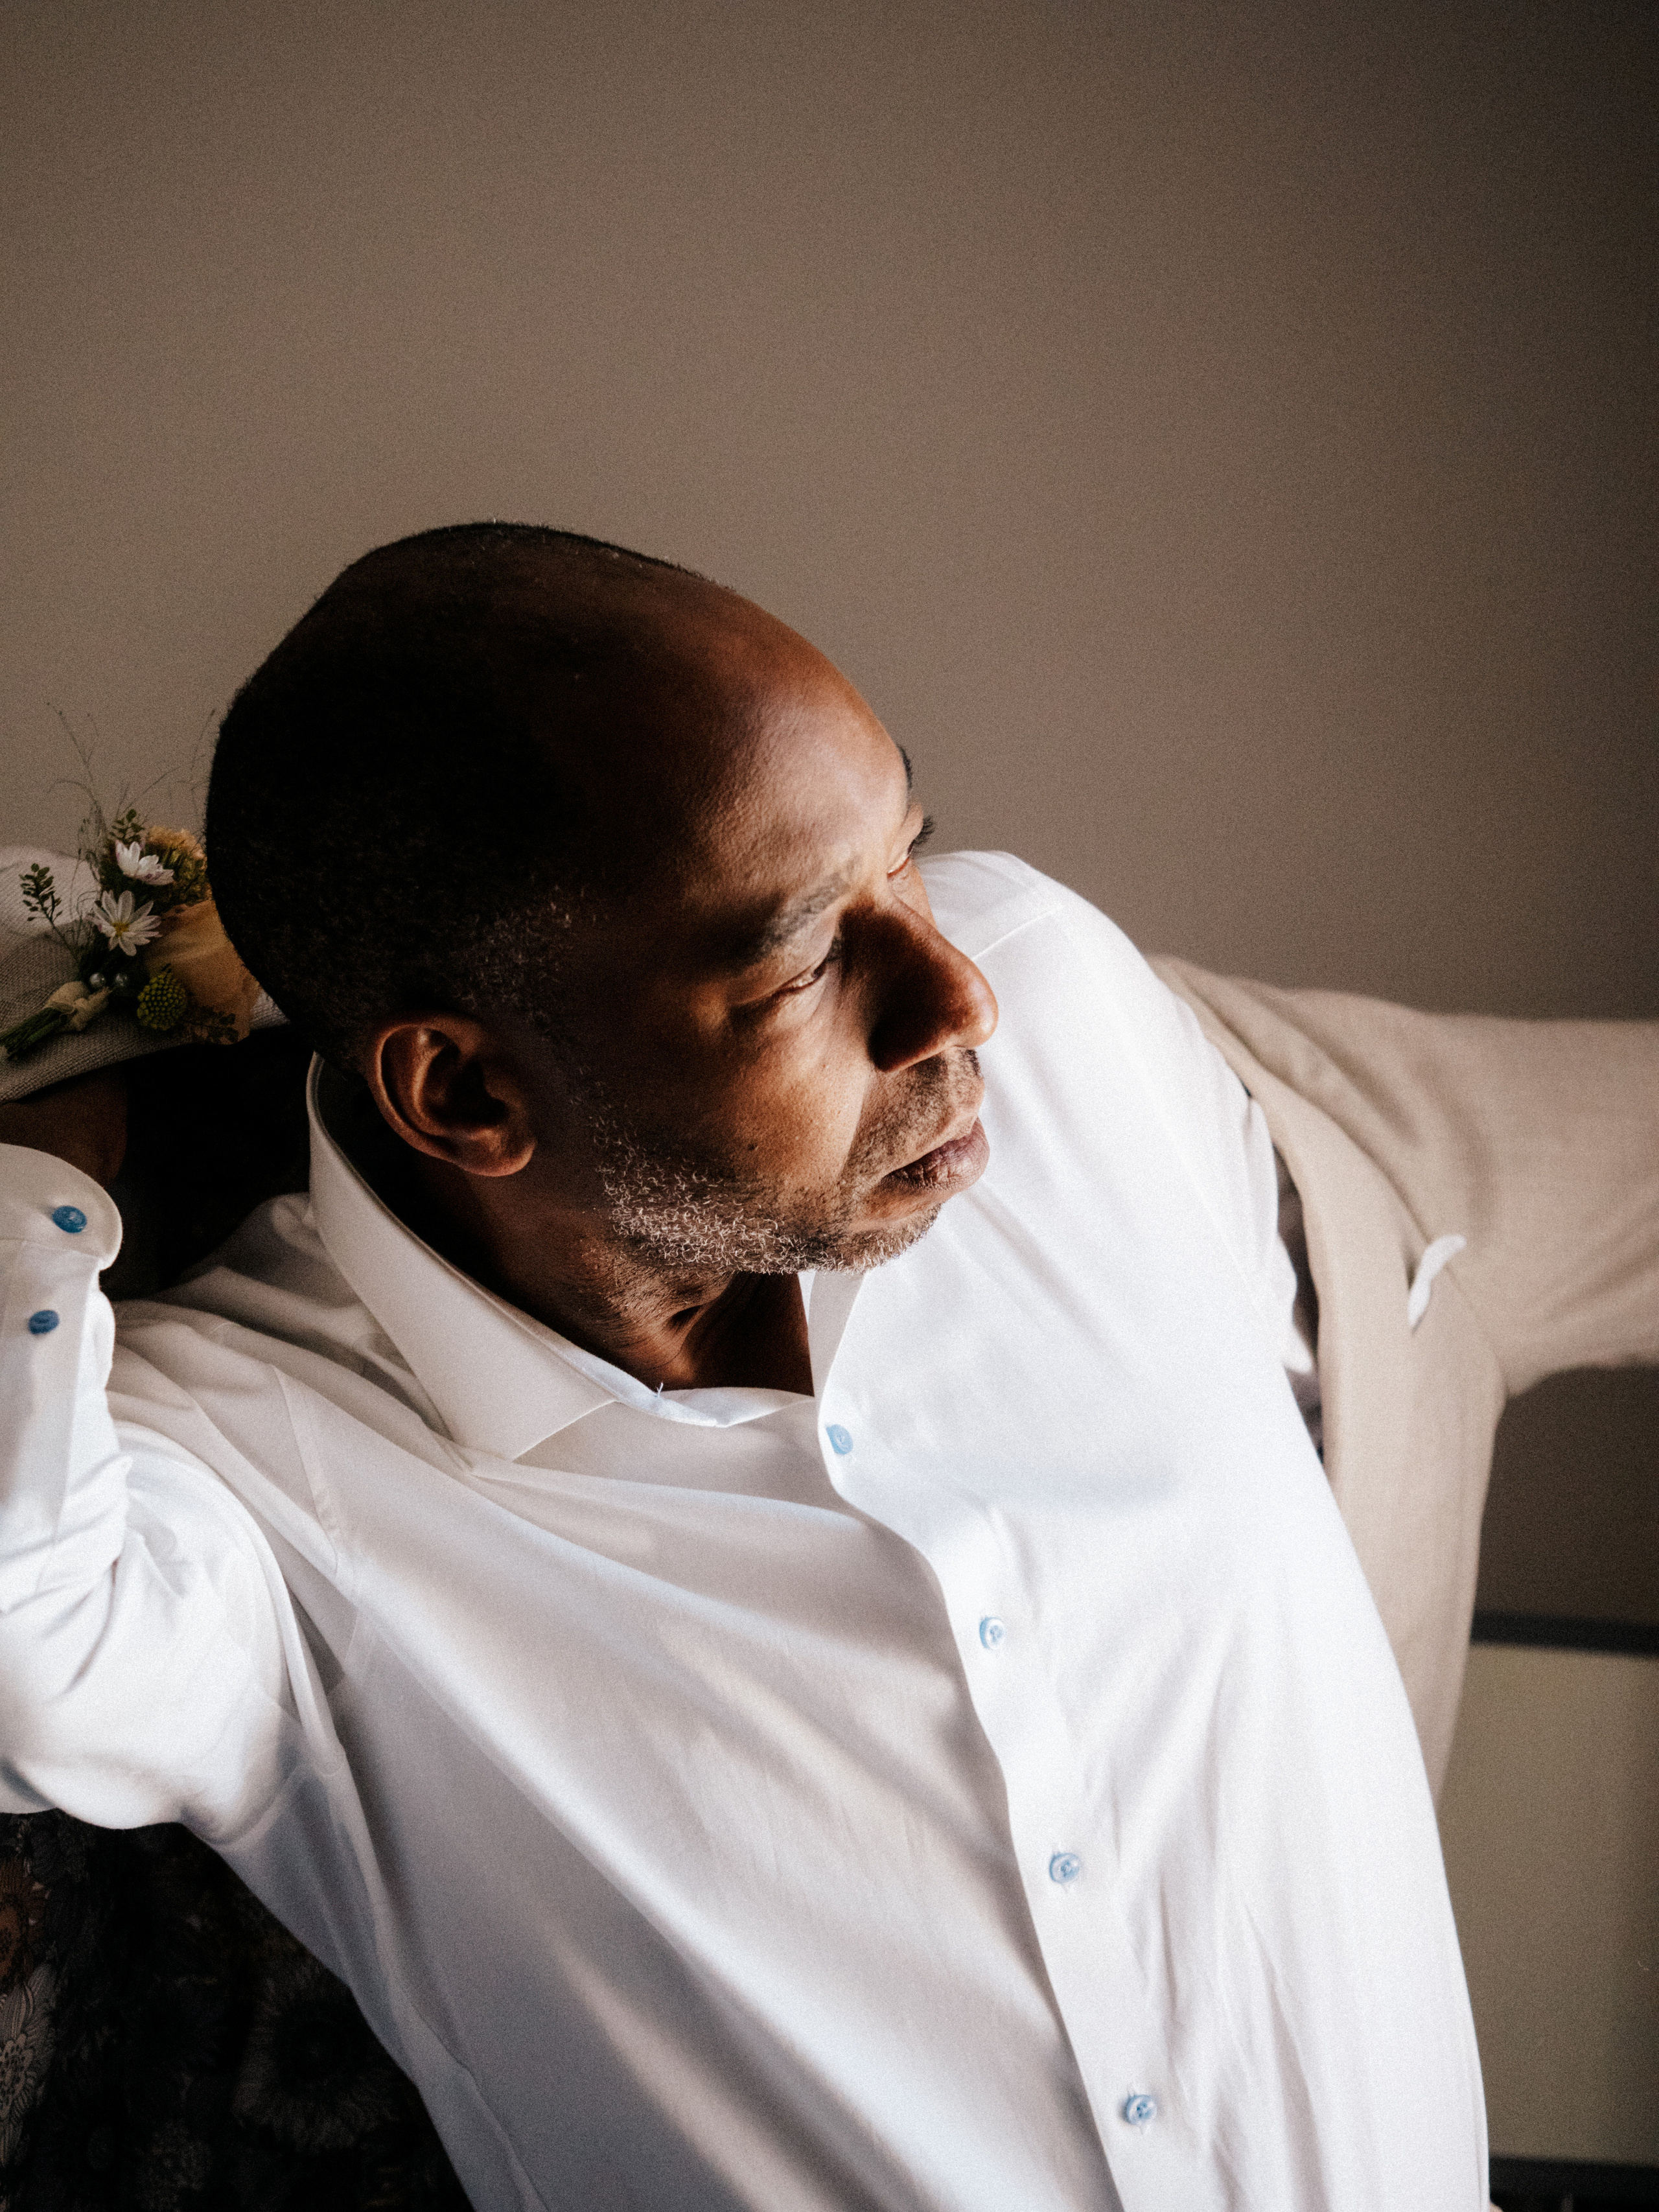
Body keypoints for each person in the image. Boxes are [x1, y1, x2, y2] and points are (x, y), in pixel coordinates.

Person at [1, 524, 1653, 2211]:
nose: (960, 1001)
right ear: (468, 1101)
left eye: (908, 857)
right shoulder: (248, 1479)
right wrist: (79, 1154)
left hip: (1339, 1197)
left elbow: (976, 979)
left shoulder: (1048, 1001)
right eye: (797, 959)